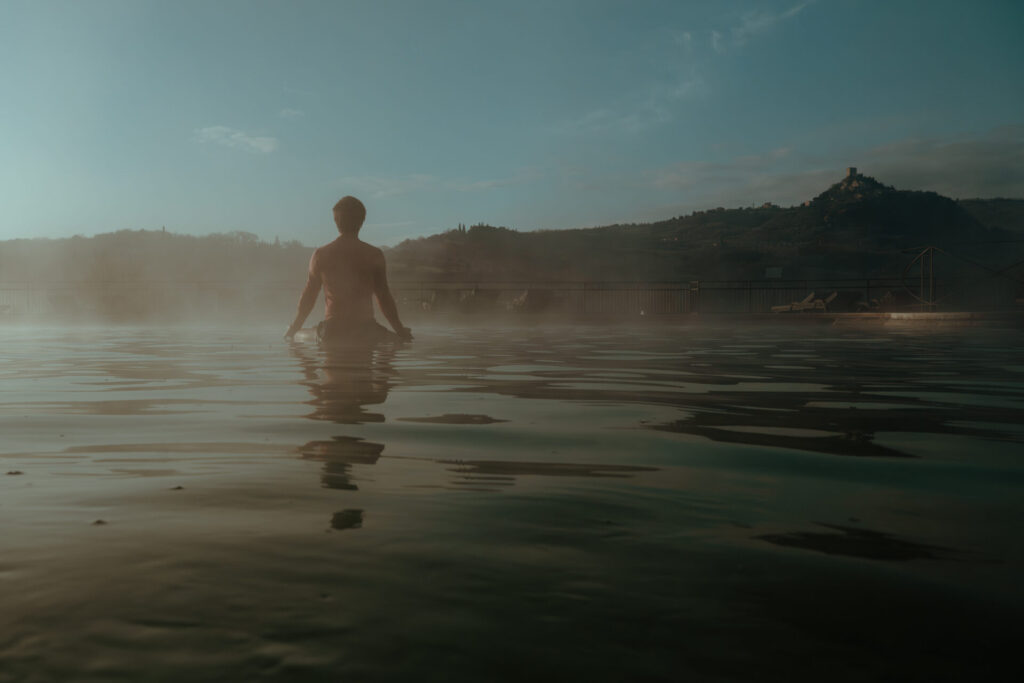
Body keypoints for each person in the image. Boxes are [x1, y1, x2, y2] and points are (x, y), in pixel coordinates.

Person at [284, 196, 412, 344]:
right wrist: (400, 330)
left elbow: (309, 296)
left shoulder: (321, 255)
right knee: (400, 342)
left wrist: (294, 328)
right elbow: (383, 296)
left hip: (332, 330)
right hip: (367, 329)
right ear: (362, 221)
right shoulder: (373, 255)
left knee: (303, 334)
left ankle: (295, 330)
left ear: (336, 220)